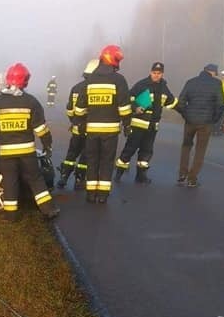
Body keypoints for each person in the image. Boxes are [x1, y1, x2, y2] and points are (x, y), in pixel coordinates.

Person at [0, 62, 60, 221]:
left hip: (6, 153)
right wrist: (47, 145)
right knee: (35, 179)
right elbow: (41, 129)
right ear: (25, 81)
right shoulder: (31, 102)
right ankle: (48, 209)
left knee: (10, 181)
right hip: (27, 152)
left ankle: (10, 215)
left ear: (8, 79)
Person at [73, 44, 132, 204]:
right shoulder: (118, 80)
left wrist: (79, 123)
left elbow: (79, 108)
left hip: (91, 130)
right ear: (113, 60)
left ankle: (90, 194)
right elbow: (124, 107)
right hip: (110, 131)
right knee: (106, 161)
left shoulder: (90, 80)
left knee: (92, 160)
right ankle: (102, 196)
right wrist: (127, 125)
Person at [114, 61, 178, 184]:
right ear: (150, 72)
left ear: (162, 74)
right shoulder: (142, 84)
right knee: (130, 149)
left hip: (153, 126)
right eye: (154, 73)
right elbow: (127, 99)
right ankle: (119, 174)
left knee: (147, 151)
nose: (156, 75)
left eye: (159, 73)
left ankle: (141, 175)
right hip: (138, 124)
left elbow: (172, 102)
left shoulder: (164, 87)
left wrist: (186, 112)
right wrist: (135, 107)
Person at [176, 63, 224, 188]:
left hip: (190, 121)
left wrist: (186, 115)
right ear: (213, 72)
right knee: (200, 150)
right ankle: (192, 179)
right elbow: (221, 104)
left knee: (186, 146)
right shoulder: (216, 84)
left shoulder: (190, 82)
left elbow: (180, 102)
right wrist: (214, 120)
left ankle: (182, 174)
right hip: (206, 123)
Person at [57, 58, 98, 190]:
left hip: (76, 128)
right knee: (86, 155)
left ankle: (64, 177)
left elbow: (69, 109)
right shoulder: (94, 89)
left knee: (72, 153)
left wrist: (74, 121)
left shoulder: (75, 88)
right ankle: (80, 179)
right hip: (90, 129)